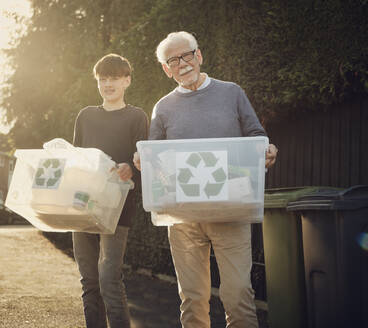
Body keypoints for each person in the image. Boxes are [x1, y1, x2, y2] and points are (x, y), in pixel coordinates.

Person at [133, 31, 278, 328]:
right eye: (173, 60)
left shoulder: (231, 92)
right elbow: (156, 157)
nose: (182, 63)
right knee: (192, 298)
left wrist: (267, 147)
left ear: (199, 55)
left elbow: (255, 135)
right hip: (183, 216)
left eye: (187, 55)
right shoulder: (162, 107)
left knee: (238, 295)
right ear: (166, 69)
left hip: (230, 210)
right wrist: (142, 161)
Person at [73, 53, 149, 328]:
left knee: (108, 279)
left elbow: (144, 163)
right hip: (82, 207)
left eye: (114, 78)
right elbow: (77, 162)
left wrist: (130, 166)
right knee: (90, 281)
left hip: (118, 210)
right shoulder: (85, 116)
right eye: (103, 79)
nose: (108, 84)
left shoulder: (137, 116)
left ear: (126, 81)